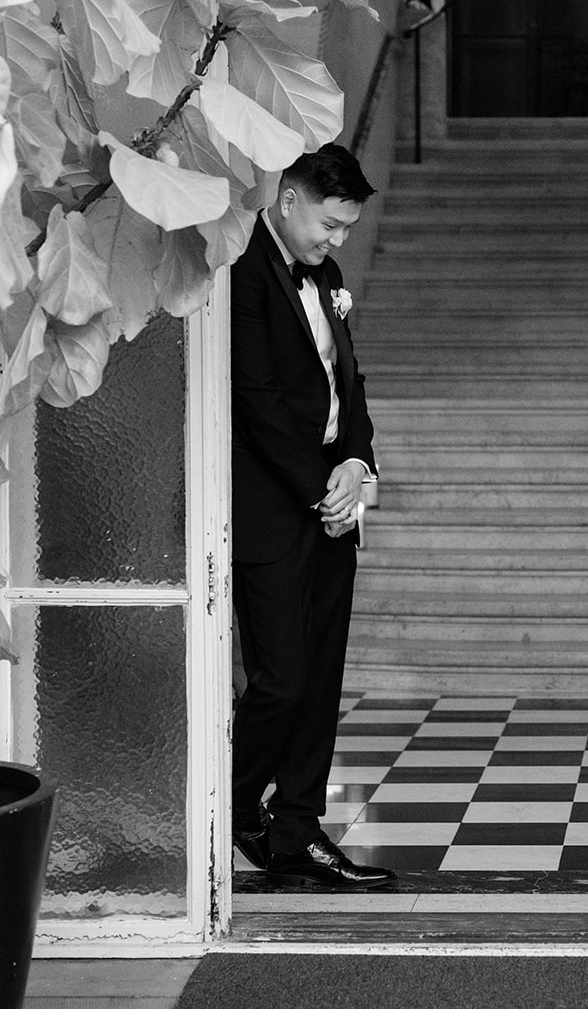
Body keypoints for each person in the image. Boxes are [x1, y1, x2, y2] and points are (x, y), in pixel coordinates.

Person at [229, 144, 393, 889]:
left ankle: (296, 828)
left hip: (332, 502)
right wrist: (317, 485)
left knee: (321, 679)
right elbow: (255, 400)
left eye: (347, 229)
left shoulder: (324, 275)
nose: (337, 242)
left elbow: (349, 384)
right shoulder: (242, 269)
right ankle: (222, 806)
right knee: (282, 679)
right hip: (273, 509)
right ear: (289, 198)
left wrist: (357, 467)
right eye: (329, 224)